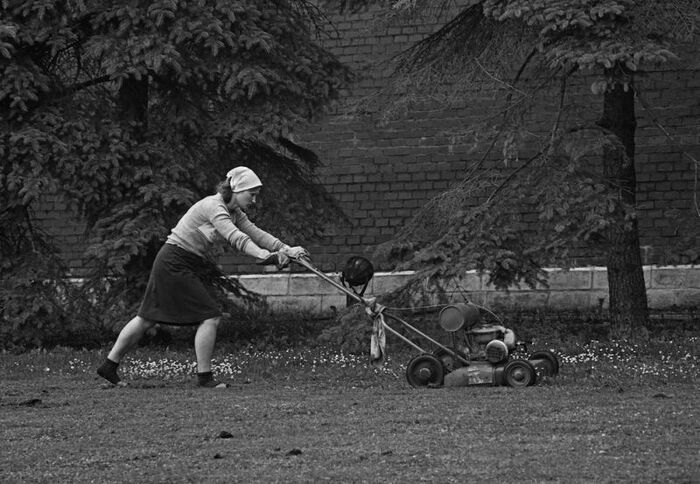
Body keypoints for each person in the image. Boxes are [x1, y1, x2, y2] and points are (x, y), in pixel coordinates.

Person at [96, 166, 308, 388]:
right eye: (251, 194)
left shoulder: (235, 212)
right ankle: (204, 378)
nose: (254, 200)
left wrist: (287, 249)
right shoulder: (213, 206)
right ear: (236, 189)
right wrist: (266, 256)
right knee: (210, 316)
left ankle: (109, 366)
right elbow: (236, 237)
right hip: (174, 261)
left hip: (179, 261)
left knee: (147, 318)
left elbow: (256, 233)